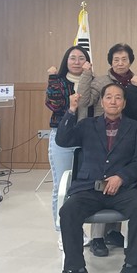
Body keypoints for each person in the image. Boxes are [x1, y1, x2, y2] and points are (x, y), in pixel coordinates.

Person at [55, 83, 137, 273]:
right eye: (109, 97)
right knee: (68, 211)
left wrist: (121, 177)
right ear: (102, 101)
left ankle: (132, 266)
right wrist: (71, 110)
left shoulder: (136, 128)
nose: (113, 101)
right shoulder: (87, 125)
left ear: (124, 103)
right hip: (89, 187)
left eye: (118, 97)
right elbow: (62, 140)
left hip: (122, 189)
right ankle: (76, 270)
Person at [79, 43, 137, 256]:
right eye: (116, 59)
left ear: (130, 61)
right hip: (101, 135)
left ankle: (113, 232)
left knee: (119, 182)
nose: (120, 63)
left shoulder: (134, 81)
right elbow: (85, 100)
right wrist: (86, 75)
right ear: (110, 62)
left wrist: (135, 89)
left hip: (126, 136)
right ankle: (97, 237)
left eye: (124, 59)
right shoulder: (101, 81)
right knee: (102, 179)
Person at [45, 45, 95, 247]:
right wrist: (52, 78)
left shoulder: (92, 81)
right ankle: (63, 231)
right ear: (66, 61)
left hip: (86, 138)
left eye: (81, 58)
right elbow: (54, 105)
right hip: (62, 136)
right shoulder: (58, 81)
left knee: (81, 188)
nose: (76, 62)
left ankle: (78, 228)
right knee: (62, 185)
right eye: (72, 58)